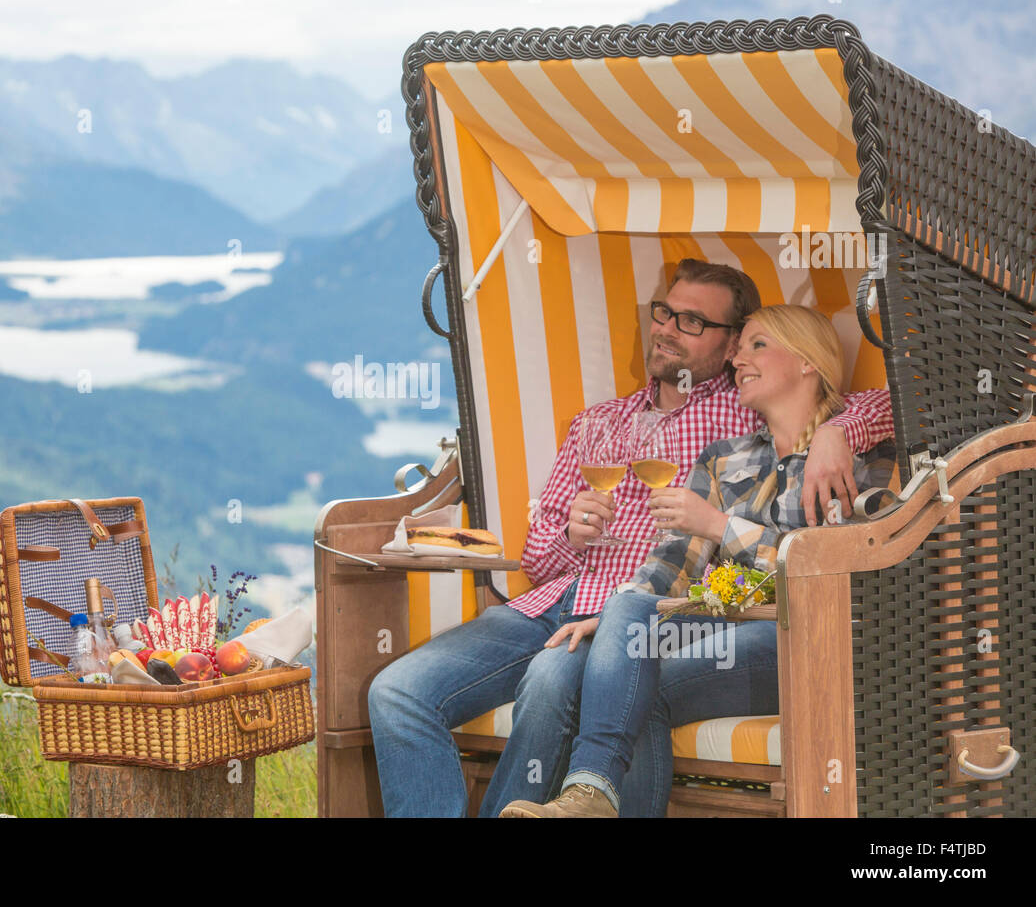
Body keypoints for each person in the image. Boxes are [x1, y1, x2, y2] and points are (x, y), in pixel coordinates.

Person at [367, 260, 895, 817]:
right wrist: (572, 533)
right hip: (566, 604)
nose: (666, 328)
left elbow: (876, 407)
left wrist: (839, 430)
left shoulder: (737, 412)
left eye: (692, 322)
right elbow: (542, 558)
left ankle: (572, 796)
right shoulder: (609, 424)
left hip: (685, 619)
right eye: (664, 312)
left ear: (728, 342)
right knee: (396, 693)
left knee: (561, 680)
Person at [498, 304, 897, 818]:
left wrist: (718, 525)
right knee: (630, 628)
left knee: (640, 688)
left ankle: (591, 792)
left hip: (812, 640)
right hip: (728, 623)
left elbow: (828, 571)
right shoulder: (723, 457)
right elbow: (671, 562)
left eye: (757, 346)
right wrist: (614, 621)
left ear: (807, 362)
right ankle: (590, 792)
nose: (738, 362)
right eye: (740, 349)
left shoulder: (862, 457)